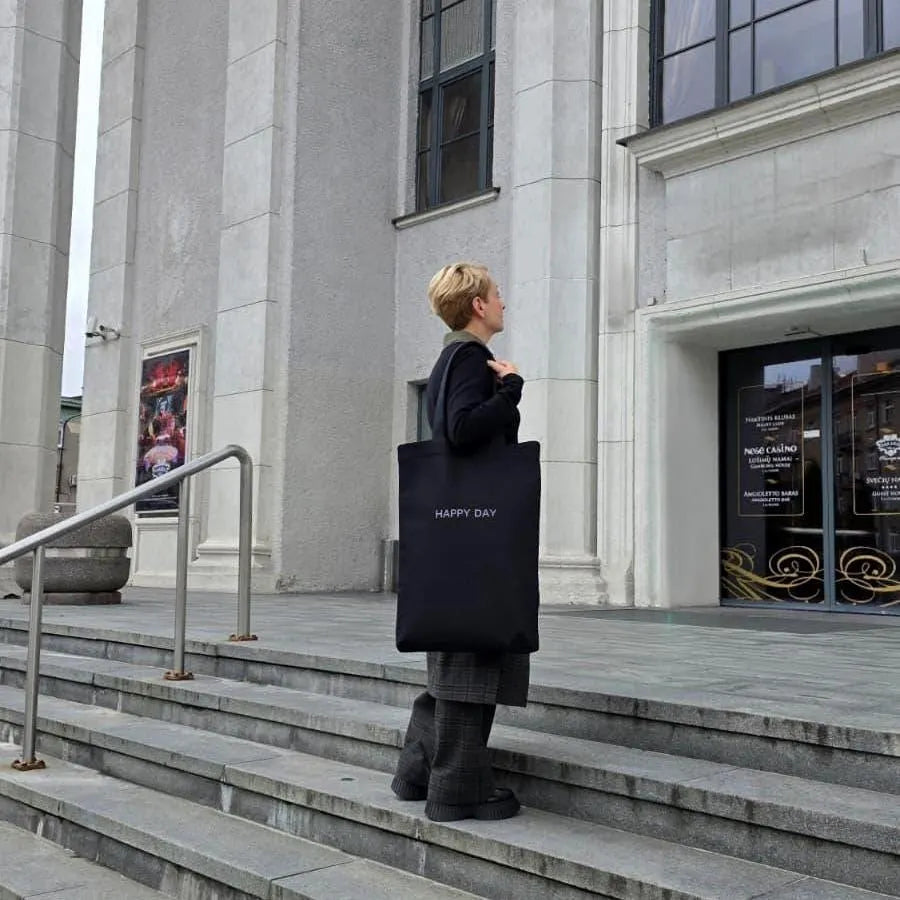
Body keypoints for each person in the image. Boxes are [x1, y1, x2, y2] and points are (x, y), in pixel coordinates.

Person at [391, 262, 530, 822]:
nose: (503, 302)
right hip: (477, 538)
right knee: (472, 656)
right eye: (497, 294)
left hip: (454, 537)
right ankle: (458, 791)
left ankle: (417, 774)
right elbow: (461, 429)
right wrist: (512, 390)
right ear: (477, 305)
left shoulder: (451, 358)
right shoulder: (470, 357)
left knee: (454, 659)